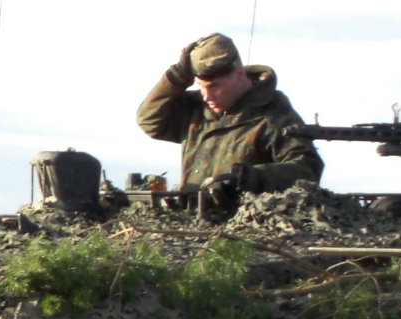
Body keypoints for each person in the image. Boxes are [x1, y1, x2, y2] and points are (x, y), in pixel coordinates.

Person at [135, 33, 322, 204]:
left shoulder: (272, 114)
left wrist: (250, 178)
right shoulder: (195, 109)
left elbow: (307, 168)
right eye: (201, 86)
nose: (207, 96)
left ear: (239, 74)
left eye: (215, 86)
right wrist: (176, 77)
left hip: (246, 225)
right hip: (192, 220)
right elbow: (149, 120)